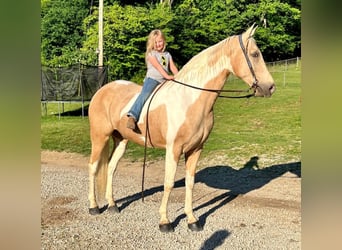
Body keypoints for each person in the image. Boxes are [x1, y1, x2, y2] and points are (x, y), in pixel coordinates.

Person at [127, 29, 178, 130]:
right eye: (156, 42)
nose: (158, 44)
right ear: (152, 43)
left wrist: (179, 77)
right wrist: (168, 76)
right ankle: (133, 115)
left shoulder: (167, 54)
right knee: (144, 95)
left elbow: (172, 67)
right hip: (153, 79)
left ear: (164, 41)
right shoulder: (151, 54)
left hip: (164, 81)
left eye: (160, 41)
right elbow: (158, 67)